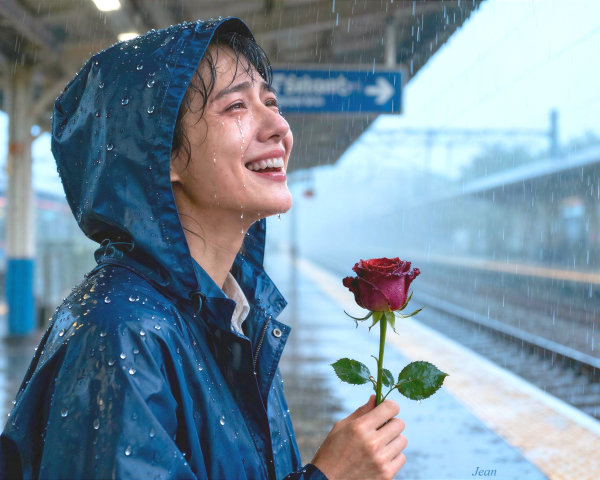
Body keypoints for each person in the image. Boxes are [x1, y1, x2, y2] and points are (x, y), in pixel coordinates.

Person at [0, 17, 407, 479]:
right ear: (161, 154)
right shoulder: (122, 333)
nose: (278, 126)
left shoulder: (230, 315)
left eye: (270, 102)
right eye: (236, 106)